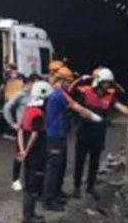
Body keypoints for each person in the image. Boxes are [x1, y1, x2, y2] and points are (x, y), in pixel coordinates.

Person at [71, 68, 128, 200]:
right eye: (104, 83)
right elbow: (77, 109)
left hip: (99, 133)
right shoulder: (86, 94)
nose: (106, 85)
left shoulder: (110, 96)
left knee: (94, 161)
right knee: (80, 160)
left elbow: (119, 106)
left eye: (108, 83)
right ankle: (76, 187)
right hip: (84, 131)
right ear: (99, 82)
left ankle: (90, 186)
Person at [43, 72, 103, 212]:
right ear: (61, 80)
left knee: (60, 165)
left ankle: (56, 193)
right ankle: (49, 199)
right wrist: (98, 119)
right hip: (55, 135)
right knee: (53, 168)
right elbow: (78, 108)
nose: (69, 84)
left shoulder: (57, 93)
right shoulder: (59, 94)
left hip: (59, 134)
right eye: (67, 81)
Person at [17, 81, 52, 223]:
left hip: (28, 154)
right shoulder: (38, 114)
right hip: (36, 154)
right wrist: (28, 150)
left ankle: (29, 214)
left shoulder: (27, 110)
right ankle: (28, 216)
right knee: (32, 185)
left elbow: (20, 130)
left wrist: (22, 150)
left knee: (28, 183)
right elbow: (34, 135)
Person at [3, 73, 40, 191]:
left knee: (32, 156)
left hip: (34, 128)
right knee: (20, 155)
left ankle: (29, 180)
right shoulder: (20, 95)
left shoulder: (38, 95)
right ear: (30, 82)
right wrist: (12, 123)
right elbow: (7, 107)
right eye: (36, 83)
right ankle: (15, 180)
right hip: (22, 129)